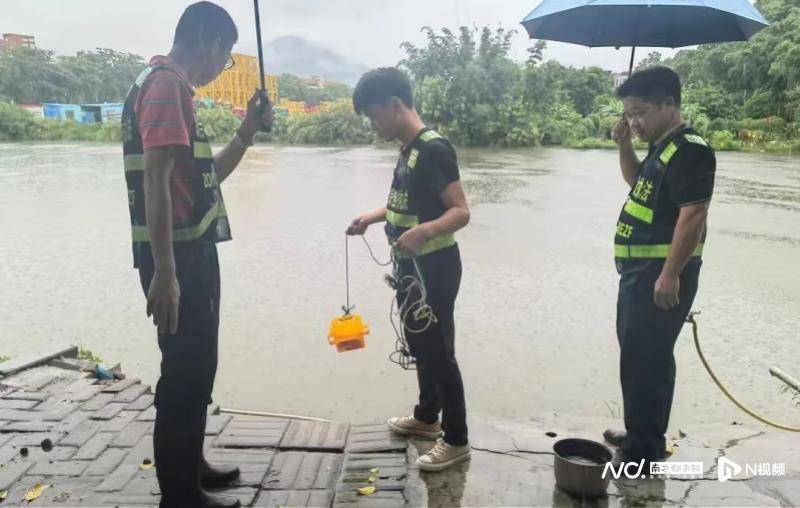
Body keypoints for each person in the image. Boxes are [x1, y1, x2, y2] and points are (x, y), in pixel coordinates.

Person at [120, 2, 272, 506]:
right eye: (225, 56)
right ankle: (180, 494)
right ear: (209, 42)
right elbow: (155, 182)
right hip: (178, 258)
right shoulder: (165, 85)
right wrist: (165, 273)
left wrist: (246, 133)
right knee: (186, 371)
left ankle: (191, 464)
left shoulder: (165, 84)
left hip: (187, 252)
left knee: (195, 365)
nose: (221, 66)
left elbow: (200, 183)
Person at [346, 67, 472, 472]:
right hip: (410, 267)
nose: (373, 123)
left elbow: (460, 212)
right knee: (420, 346)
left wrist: (423, 233)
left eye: (374, 115)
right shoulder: (408, 149)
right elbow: (404, 204)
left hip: (434, 266)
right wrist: (371, 217)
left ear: (396, 105)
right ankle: (426, 417)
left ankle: (456, 440)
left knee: (438, 352)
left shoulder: (434, 149)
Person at [605, 66, 716, 466]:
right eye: (629, 114)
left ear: (669, 104)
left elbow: (693, 215)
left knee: (647, 359)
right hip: (639, 276)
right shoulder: (662, 147)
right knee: (637, 356)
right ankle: (640, 432)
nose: (634, 121)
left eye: (641, 112)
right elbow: (638, 183)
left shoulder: (692, 150)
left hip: (661, 277)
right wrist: (623, 146)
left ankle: (644, 449)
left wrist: (670, 275)